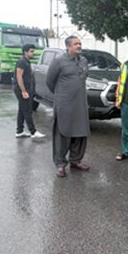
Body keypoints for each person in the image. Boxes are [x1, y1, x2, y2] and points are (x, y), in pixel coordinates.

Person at [46, 35, 90, 178]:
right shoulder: (58, 62)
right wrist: (62, 95)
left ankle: (75, 161)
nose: (79, 46)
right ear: (68, 46)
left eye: (80, 43)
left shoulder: (83, 61)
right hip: (64, 104)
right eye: (76, 44)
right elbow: (49, 82)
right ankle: (60, 164)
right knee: (63, 134)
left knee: (80, 133)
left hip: (80, 104)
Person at [13, 43, 45, 139]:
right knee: (27, 111)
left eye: (33, 51)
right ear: (25, 52)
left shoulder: (26, 61)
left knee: (22, 110)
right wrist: (23, 91)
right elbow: (19, 76)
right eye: (31, 51)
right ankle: (33, 132)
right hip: (21, 89)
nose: (33, 53)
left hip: (26, 88)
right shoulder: (22, 62)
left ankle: (19, 131)